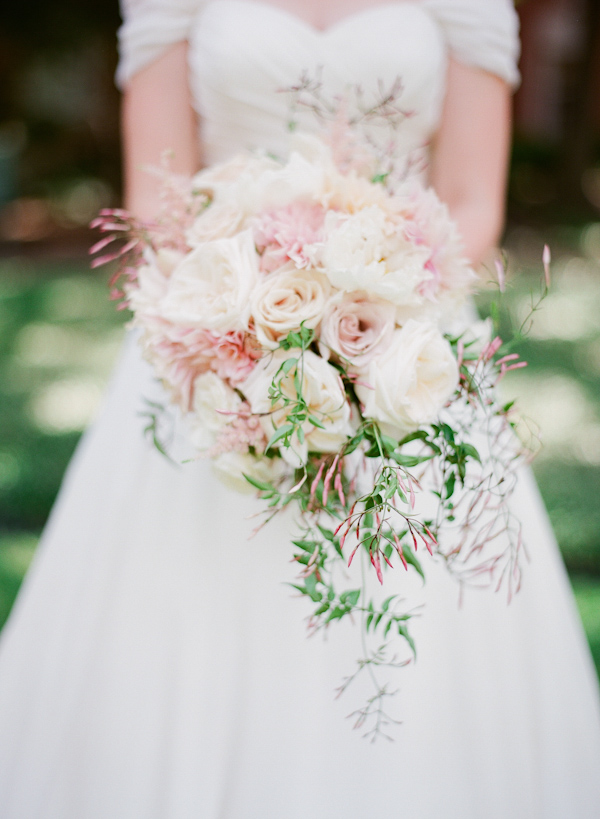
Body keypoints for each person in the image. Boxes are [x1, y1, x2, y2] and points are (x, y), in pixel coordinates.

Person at [1, 1, 599, 816]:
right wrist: (241, 323)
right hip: (214, 335)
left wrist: (366, 321)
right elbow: (156, 197)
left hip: (407, 340)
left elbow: (468, 204)